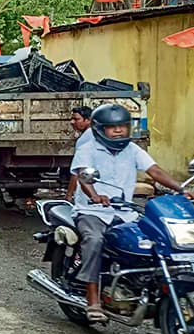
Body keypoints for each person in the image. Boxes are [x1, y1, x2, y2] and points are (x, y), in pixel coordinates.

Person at [70, 103, 192, 322]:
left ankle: (149, 289)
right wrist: (95, 195)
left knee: (152, 240)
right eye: (112, 127)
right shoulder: (87, 149)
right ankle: (92, 299)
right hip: (93, 210)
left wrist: (181, 188)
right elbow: (82, 175)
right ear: (99, 129)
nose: (119, 131)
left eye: (123, 127)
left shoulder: (132, 149)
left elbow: (153, 171)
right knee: (94, 240)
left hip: (125, 212)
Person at [66, 106, 94, 201]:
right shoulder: (98, 134)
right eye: (72, 119)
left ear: (88, 120)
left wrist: (69, 194)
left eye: (76, 119)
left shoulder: (85, 138)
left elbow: (77, 171)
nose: (72, 122)